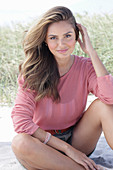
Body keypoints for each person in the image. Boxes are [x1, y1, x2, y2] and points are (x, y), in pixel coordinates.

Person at [11, 6, 113, 170]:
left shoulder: (85, 67)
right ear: (45, 40)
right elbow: (21, 122)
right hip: (44, 146)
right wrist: (67, 149)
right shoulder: (32, 72)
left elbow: (110, 97)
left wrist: (91, 52)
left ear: (77, 36)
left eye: (67, 36)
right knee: (20, 142)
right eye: (53, 38)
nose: (61, 44)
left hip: (78, 140)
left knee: (104, 105)